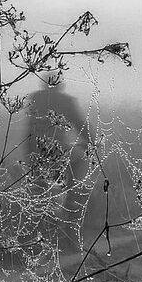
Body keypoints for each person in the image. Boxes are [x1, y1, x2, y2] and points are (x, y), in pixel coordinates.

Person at [20, 78, 105, 254]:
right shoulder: (65, 101)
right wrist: (91, 143)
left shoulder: (36, 99)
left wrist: (29, 154)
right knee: (73, 188)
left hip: (38, 152)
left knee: (39, 196)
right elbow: (79, 123)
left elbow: (29, 129)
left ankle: (35, 241)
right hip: (60, 153)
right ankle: (69, 235)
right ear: (60, 86)